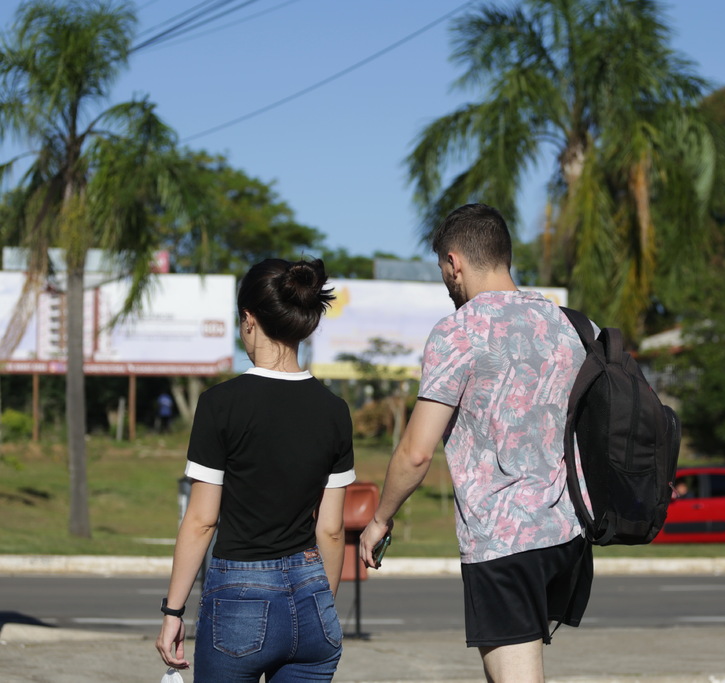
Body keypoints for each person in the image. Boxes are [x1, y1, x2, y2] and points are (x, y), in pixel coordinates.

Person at [359, 203, 593, 683]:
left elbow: (416, 452)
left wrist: (380, 518)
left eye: (442, 269)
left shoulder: (459, 331)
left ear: (454, 262)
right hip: (568, 534)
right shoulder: (569, 324)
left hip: (504, 539)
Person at [156, 258, 356, 681]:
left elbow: (201, 520)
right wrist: (322, 605)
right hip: (313, 596)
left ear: (248, 319)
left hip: (239, 597)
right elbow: (332, 530)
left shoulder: (220, 404)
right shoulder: (335, 411)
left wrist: (173, 611)